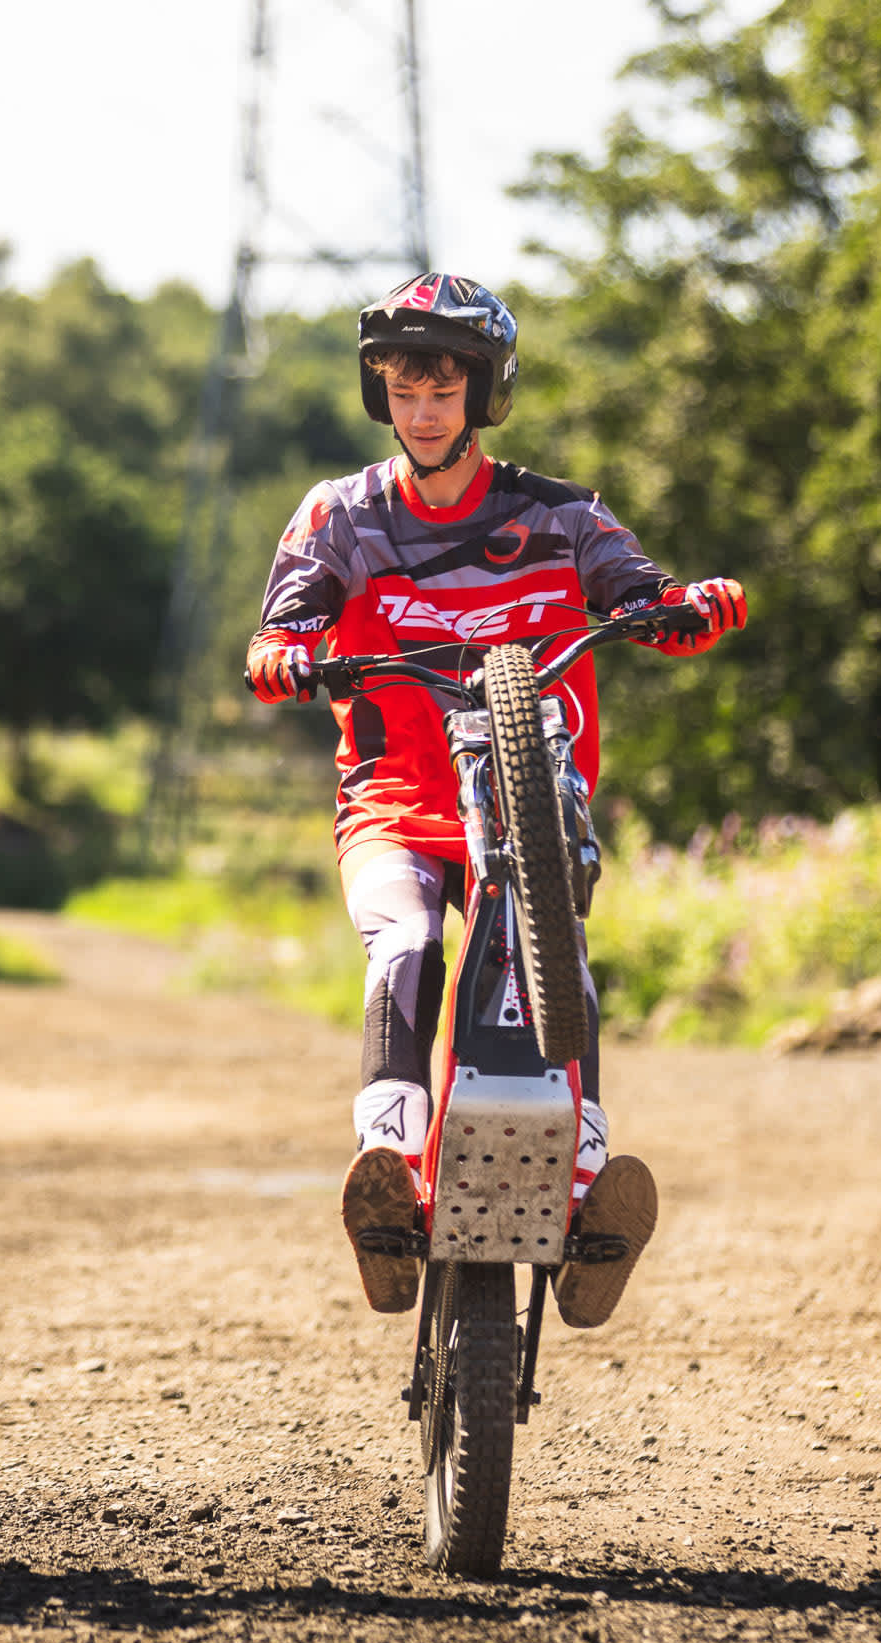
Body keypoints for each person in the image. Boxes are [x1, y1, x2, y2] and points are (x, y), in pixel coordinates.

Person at [241, 273, 748, 1330]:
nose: (425, 412)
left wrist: (686, 609)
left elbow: (643, 595)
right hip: (394, 800)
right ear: (382, 395)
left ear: (485, 392)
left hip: (529, 805)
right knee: (409, 939)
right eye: (404, 390)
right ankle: (386, 1162)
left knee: (544, 936)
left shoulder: (560, 516)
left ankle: (588, 1174)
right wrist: (286, 655)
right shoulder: (341, 517)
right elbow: (283, 622)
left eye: (444, 390)